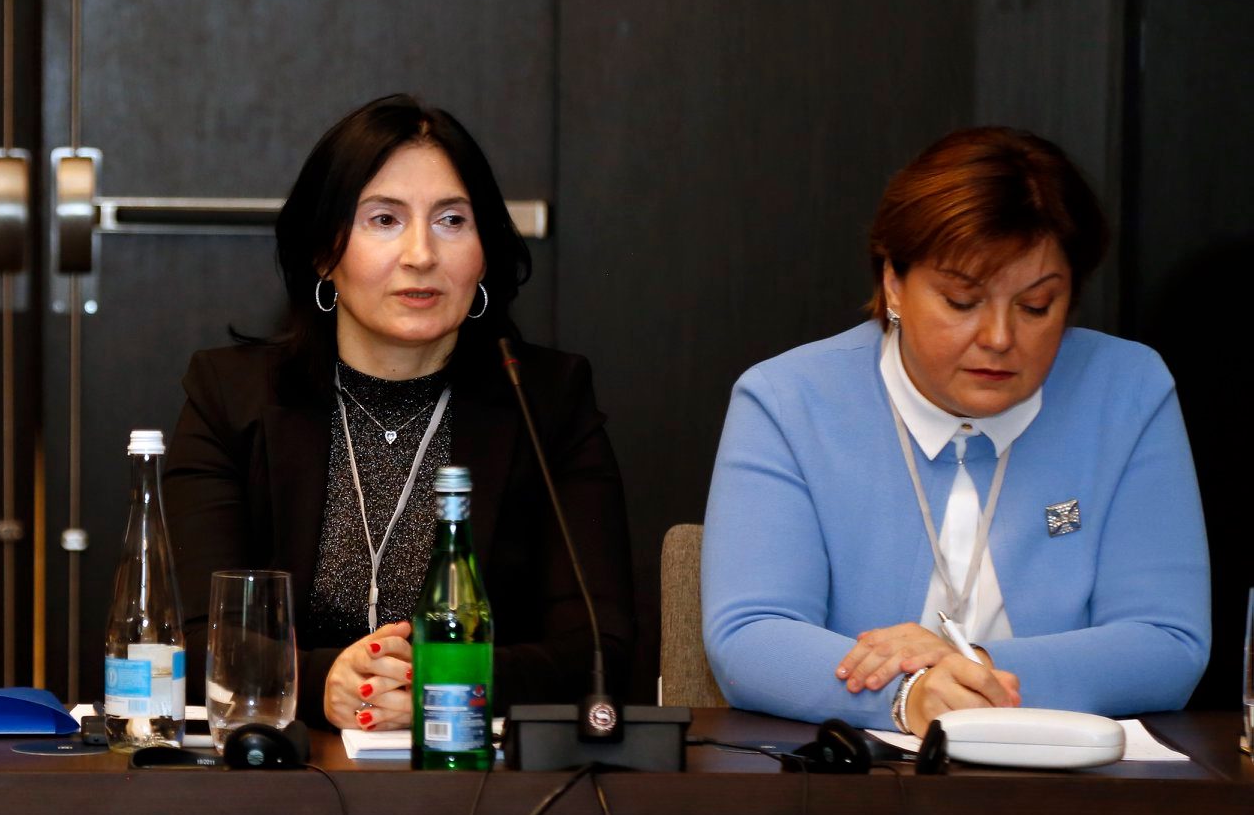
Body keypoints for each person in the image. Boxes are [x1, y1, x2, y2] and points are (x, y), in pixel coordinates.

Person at [702, 127, 1208, 733]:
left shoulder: (1126, 391)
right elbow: (750, 637)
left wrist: (973, 669)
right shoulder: (788, 401)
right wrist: (910, 696)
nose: (999, 338)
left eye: (1036, 306)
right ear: (893, 282)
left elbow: (1167, 642)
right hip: (856, 773)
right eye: (962, 302)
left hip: (1068, 771)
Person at [165, 94, 633, 733]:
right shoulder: (231, 397)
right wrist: (319, 683)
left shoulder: (546, 400)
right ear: (324, 251)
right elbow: (189, 636)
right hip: (284, 770)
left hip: (476, 767)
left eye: (452, 220)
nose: (421, 254)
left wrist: (442, 683)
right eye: (384, 219)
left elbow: (601, 649)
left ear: (485, 250)